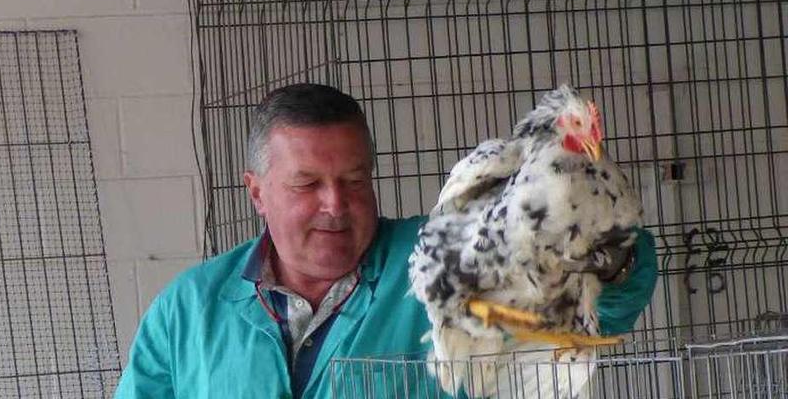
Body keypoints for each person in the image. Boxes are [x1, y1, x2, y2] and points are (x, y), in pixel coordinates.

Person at [114, 83, 658, 398]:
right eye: (308, 184)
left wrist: (605, 257)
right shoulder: (190, 310)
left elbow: (597, 314)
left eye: (354, 180)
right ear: (257, 193)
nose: (335, 204)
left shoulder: (444, 259)